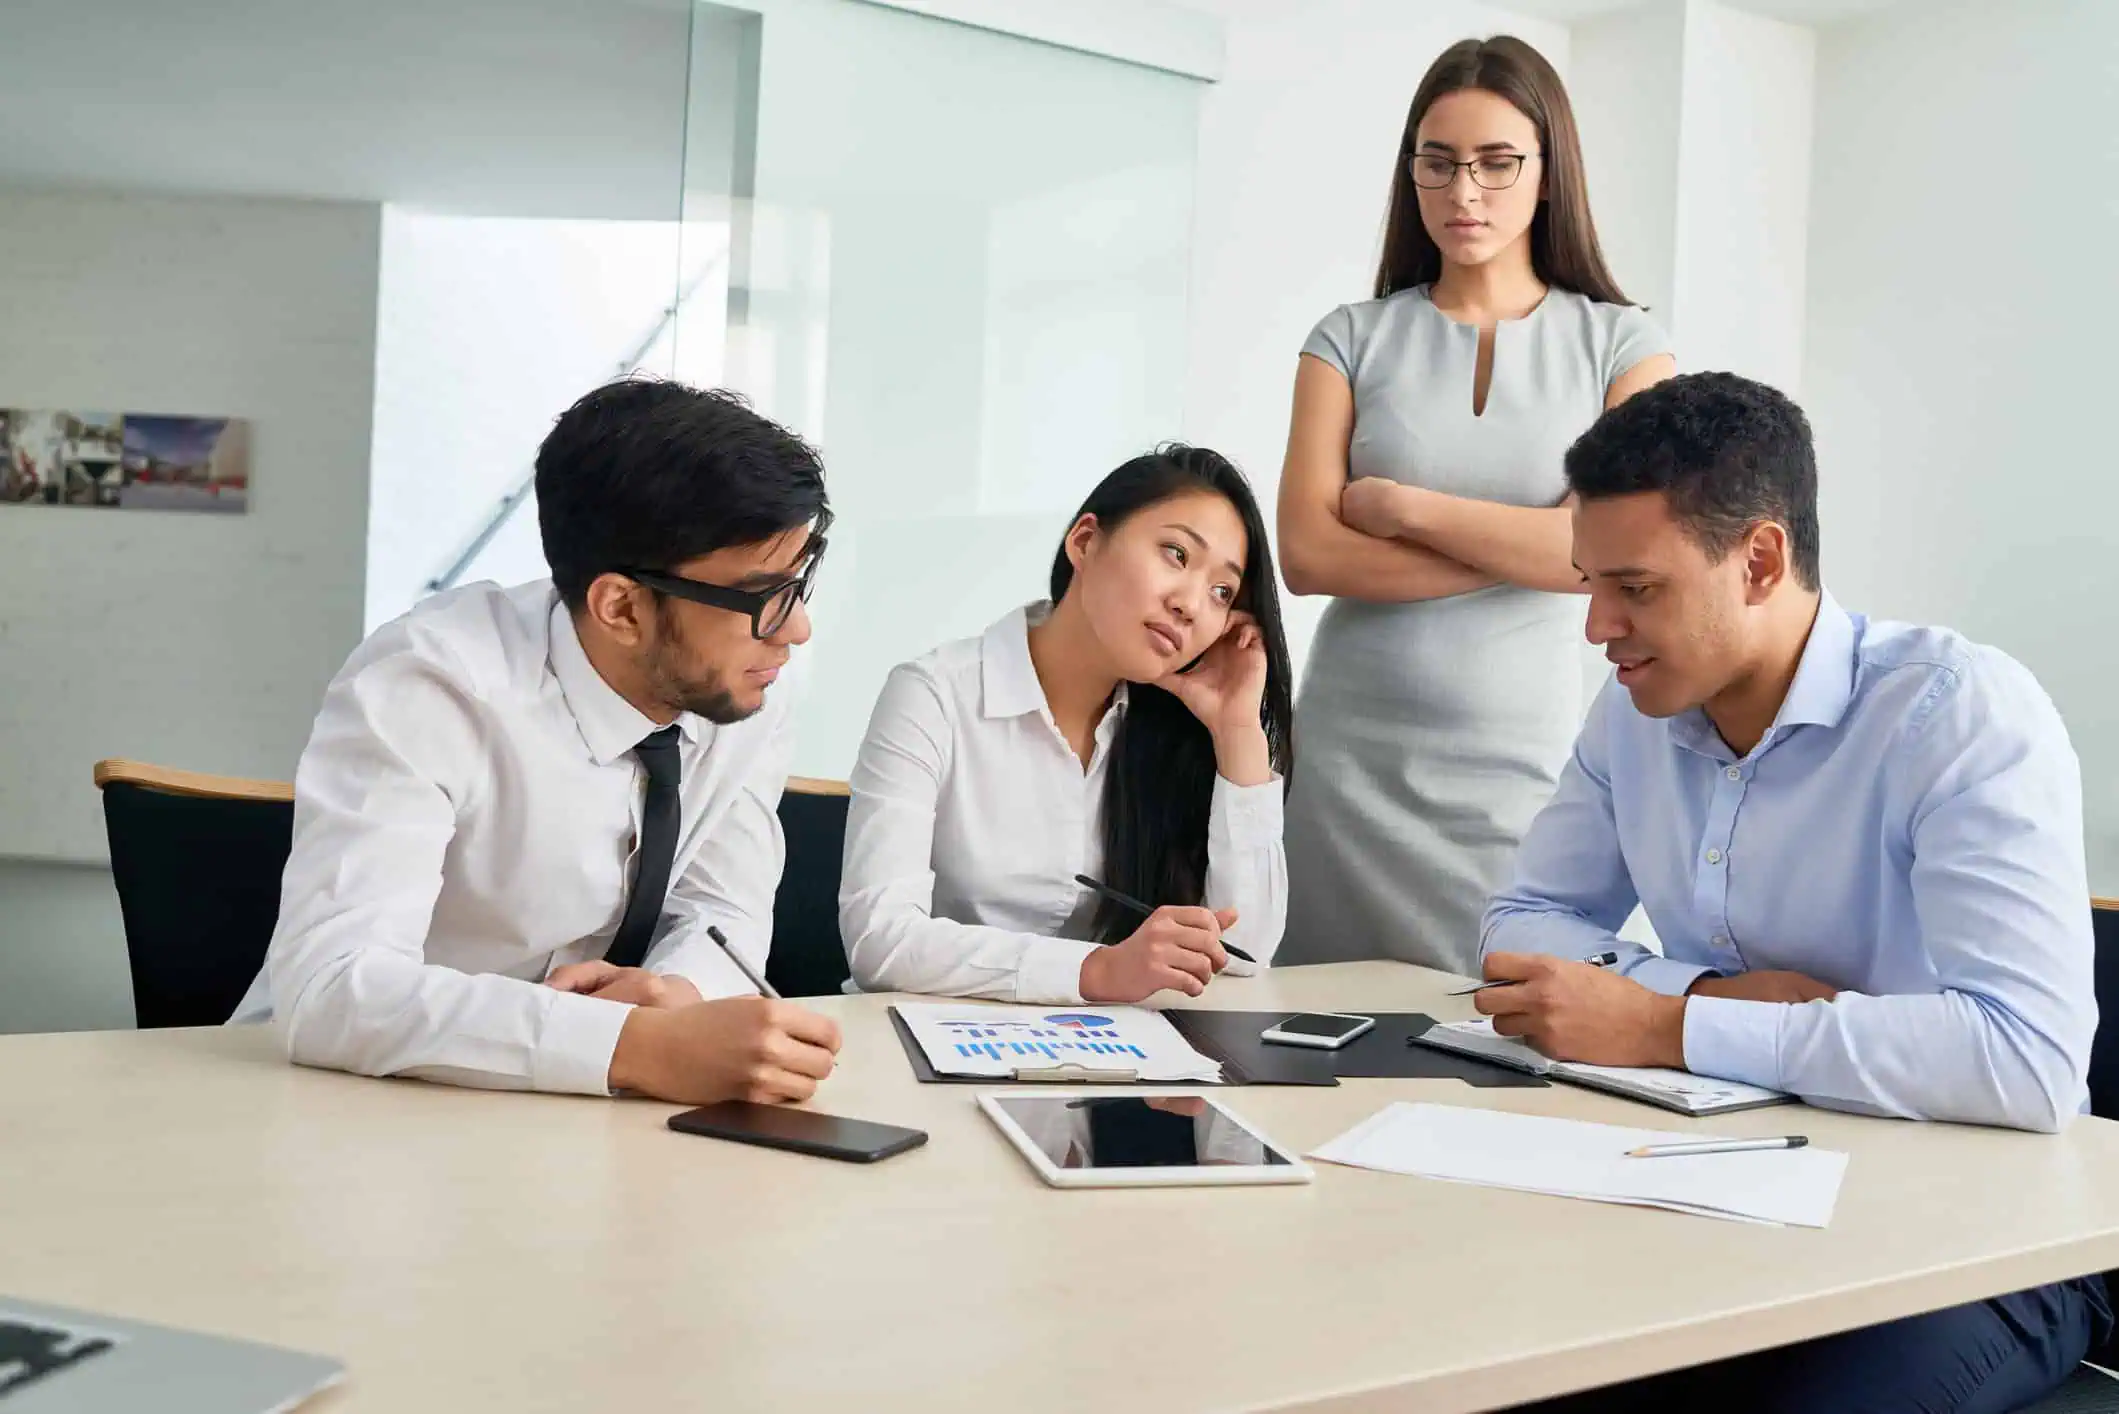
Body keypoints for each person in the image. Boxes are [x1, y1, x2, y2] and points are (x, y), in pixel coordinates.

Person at [1479, 372, 2109, 1412]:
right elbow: (1523, 922)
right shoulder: (1632, 709)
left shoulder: (1956, 714)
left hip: (1981, 1242)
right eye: (1590, 581)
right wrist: (1713, 1002)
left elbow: (2027, 1062)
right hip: (1729, 1180)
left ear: (1759, 560)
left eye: (1634, 587)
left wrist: (1667, 1026)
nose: (1597, 625)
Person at [231, 379, 845, 1106]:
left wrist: (677, 997)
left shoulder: (736, 686)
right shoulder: (432, 685)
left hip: (564, 1110)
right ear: (620, 606)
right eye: (763, 598)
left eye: (799, 583)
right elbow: (334, 991)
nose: (796, 630)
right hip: (346, 1094)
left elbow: (723, 911)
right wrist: (632, 1047)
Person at [1275, 35, 1674, 972]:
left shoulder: (1624, 347)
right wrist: (1534, 546)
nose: (1465, 194)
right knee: (1318, 1031)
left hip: (1516, 760)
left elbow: (1613, 555)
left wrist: (1401, 506)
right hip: (1346, 757)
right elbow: (1305, 557)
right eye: (1439, 163)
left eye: (1498, 164)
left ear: (1548, 174)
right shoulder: (1347, 337)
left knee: (1500, 1031)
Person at [840, 445, 1294, 1004]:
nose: (1192, 605)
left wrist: (1237, 730)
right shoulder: (933, 695)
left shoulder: (1173, 732)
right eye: (1176, 554)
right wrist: (1096, 970)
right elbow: (879, 940)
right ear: (1084, 541)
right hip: (922, 1043)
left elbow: (1243, 954)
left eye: (1222, 592)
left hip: (1104, 1057)